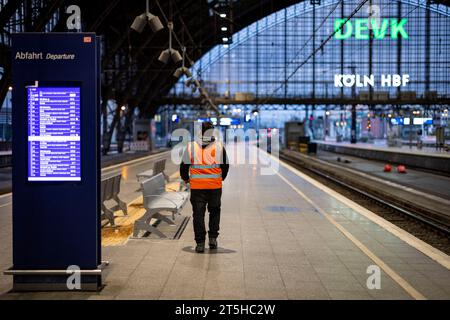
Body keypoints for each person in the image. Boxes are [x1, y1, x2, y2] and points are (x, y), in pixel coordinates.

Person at [180, 122, 229, 253]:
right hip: (214, 187)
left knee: (198, 214)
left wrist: (186, 179)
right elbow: (226, 166)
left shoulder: (191, 147)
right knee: (214, 212)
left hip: (197, 188)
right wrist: (220, 178)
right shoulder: (219, 147)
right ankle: (213, 239)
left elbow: (183, 167)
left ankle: (200, 243)